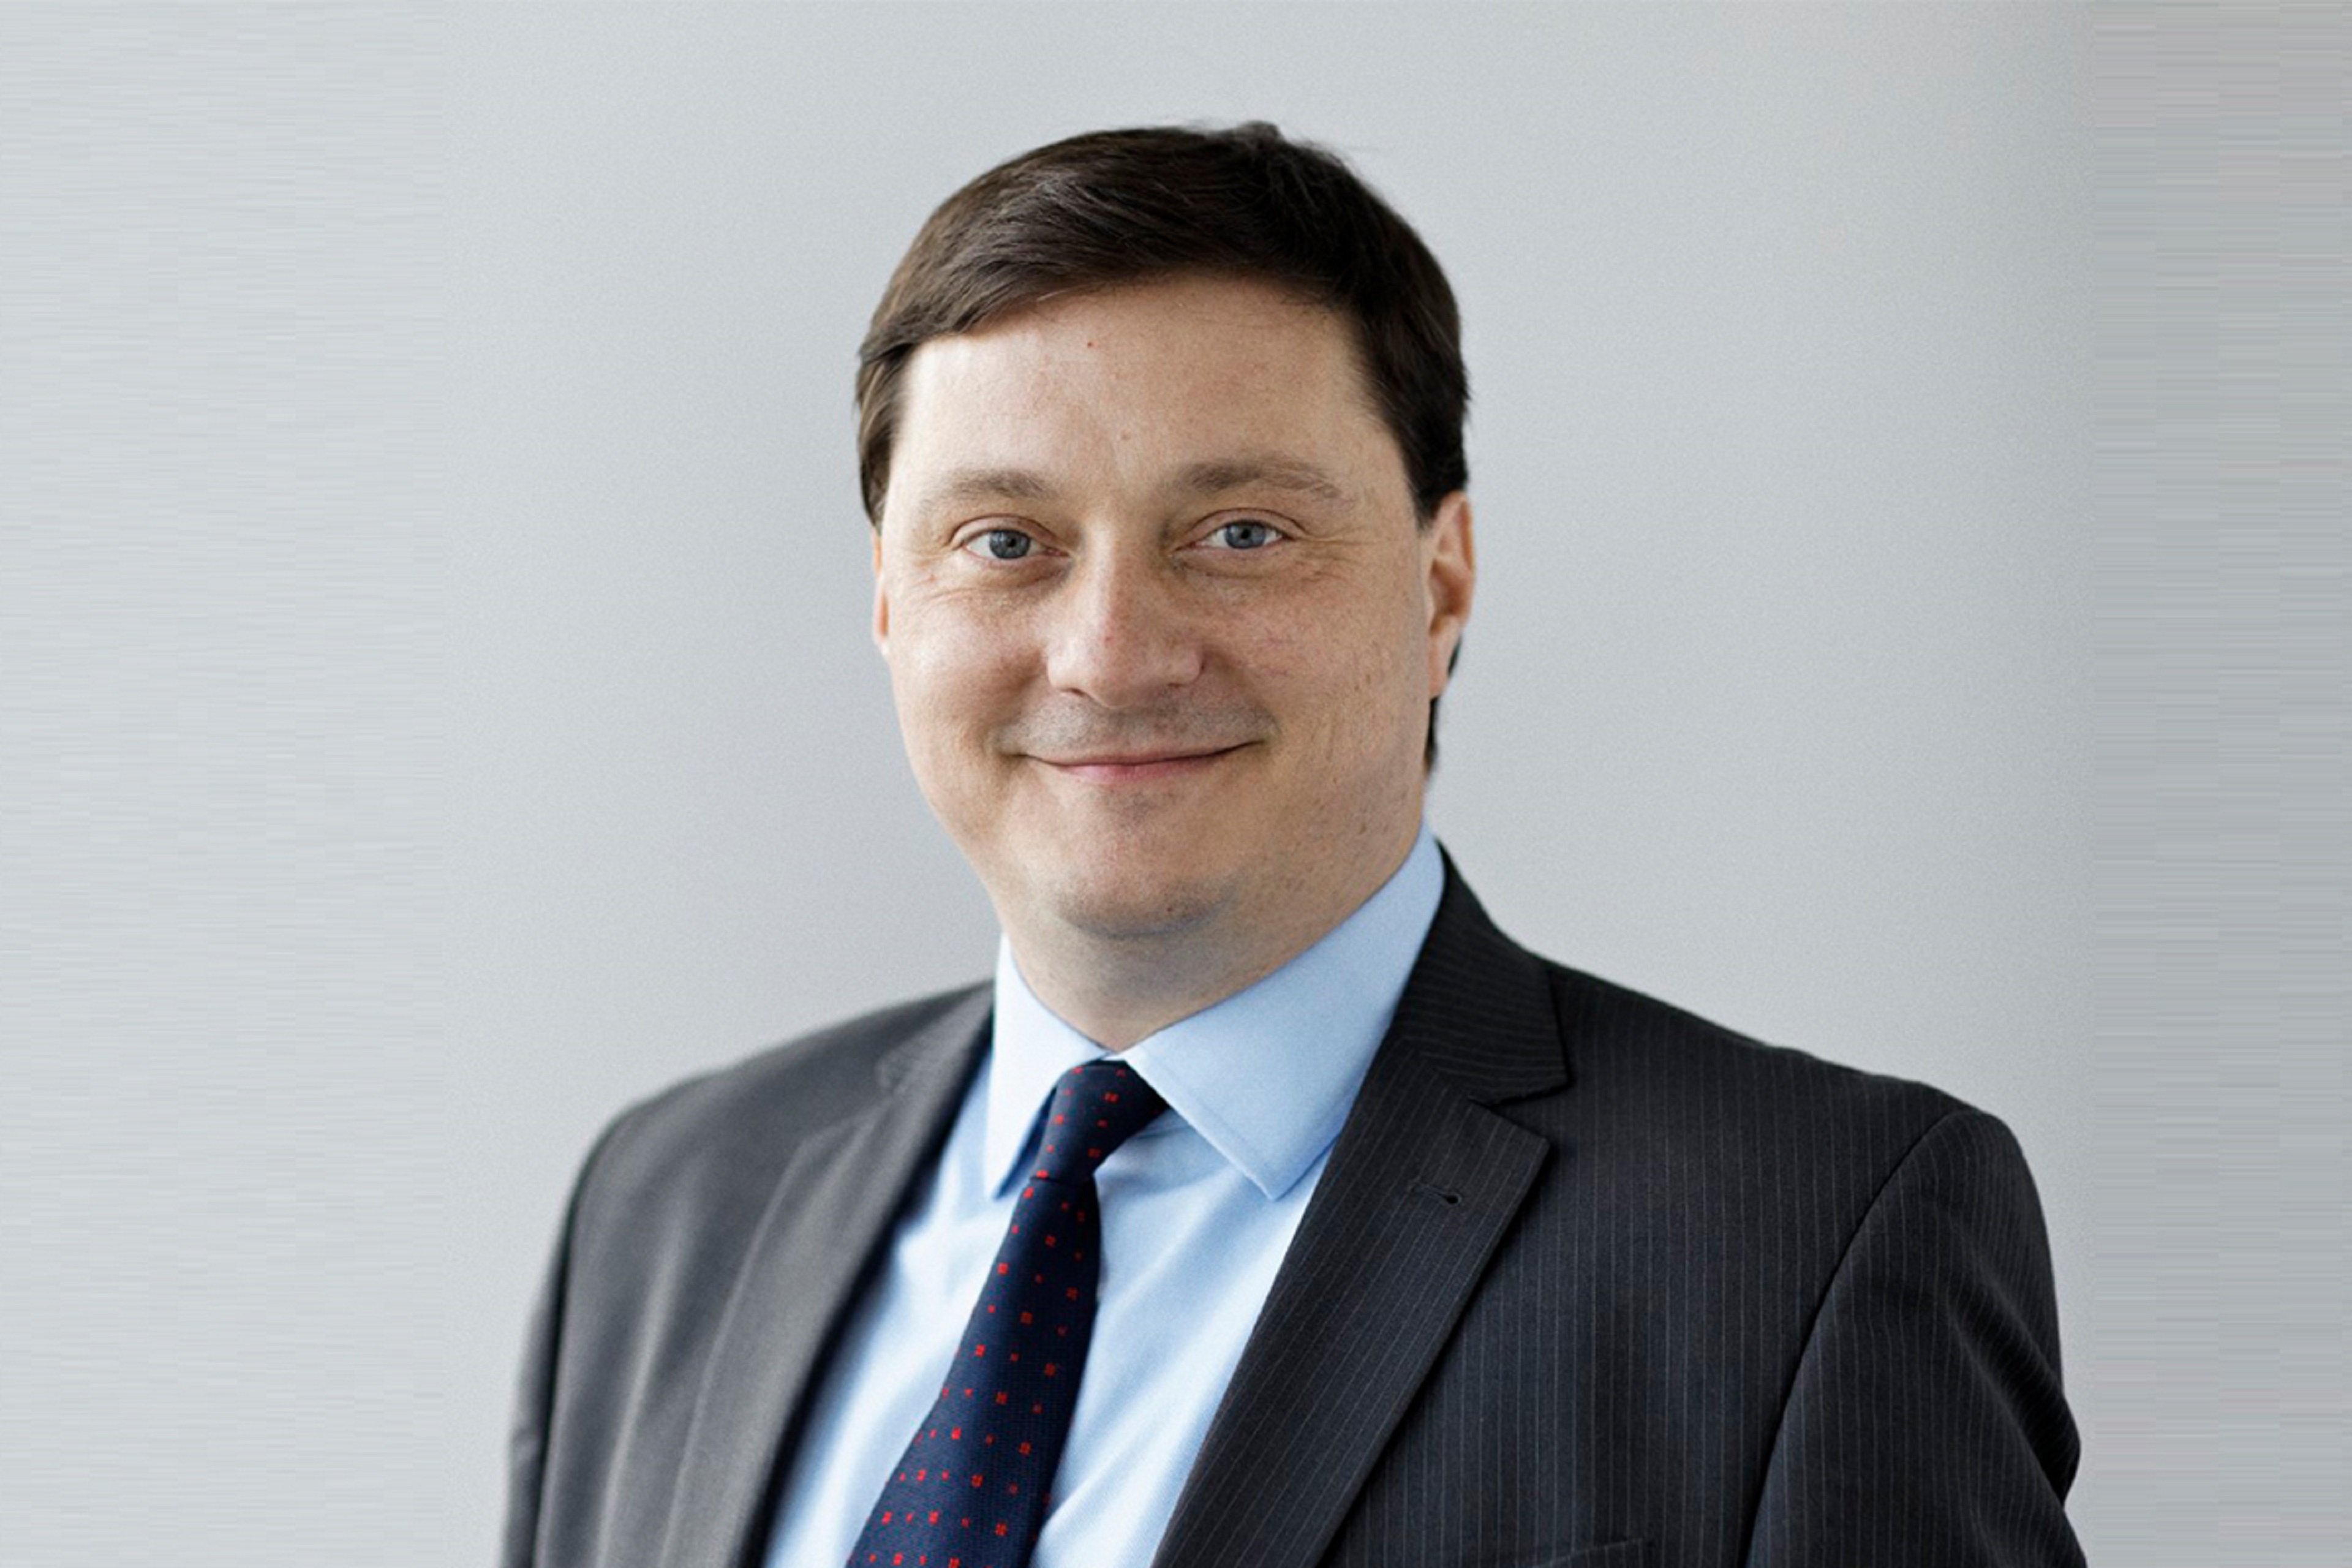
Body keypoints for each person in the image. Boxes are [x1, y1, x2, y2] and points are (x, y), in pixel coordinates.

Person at [503, 123, 2083, 1568]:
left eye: (1241, 533)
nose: (1111, 656)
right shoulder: (669, 1206)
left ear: (1441, 585)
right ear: (887, 602)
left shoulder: (1813, 1249)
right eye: (1006, 542)